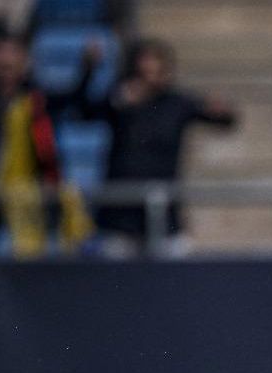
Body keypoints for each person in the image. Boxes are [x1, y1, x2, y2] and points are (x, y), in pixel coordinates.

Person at [74, 38, 236, 254]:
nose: (150, 78)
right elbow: (83, 113)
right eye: (144, 72)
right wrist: (89, 71)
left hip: (164, 214)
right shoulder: (119, 100)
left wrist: (223, 110)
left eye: (157, 71)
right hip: (120, 217)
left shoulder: (178, 103)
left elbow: (224, 120)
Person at [0, 34, 95, 256]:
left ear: (24, 61)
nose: (5, 62)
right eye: (0, 55)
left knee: (37, 251)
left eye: (12, 55)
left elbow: (73, 97)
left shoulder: (37, 99)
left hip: (32, 191)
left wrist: (88, 68)